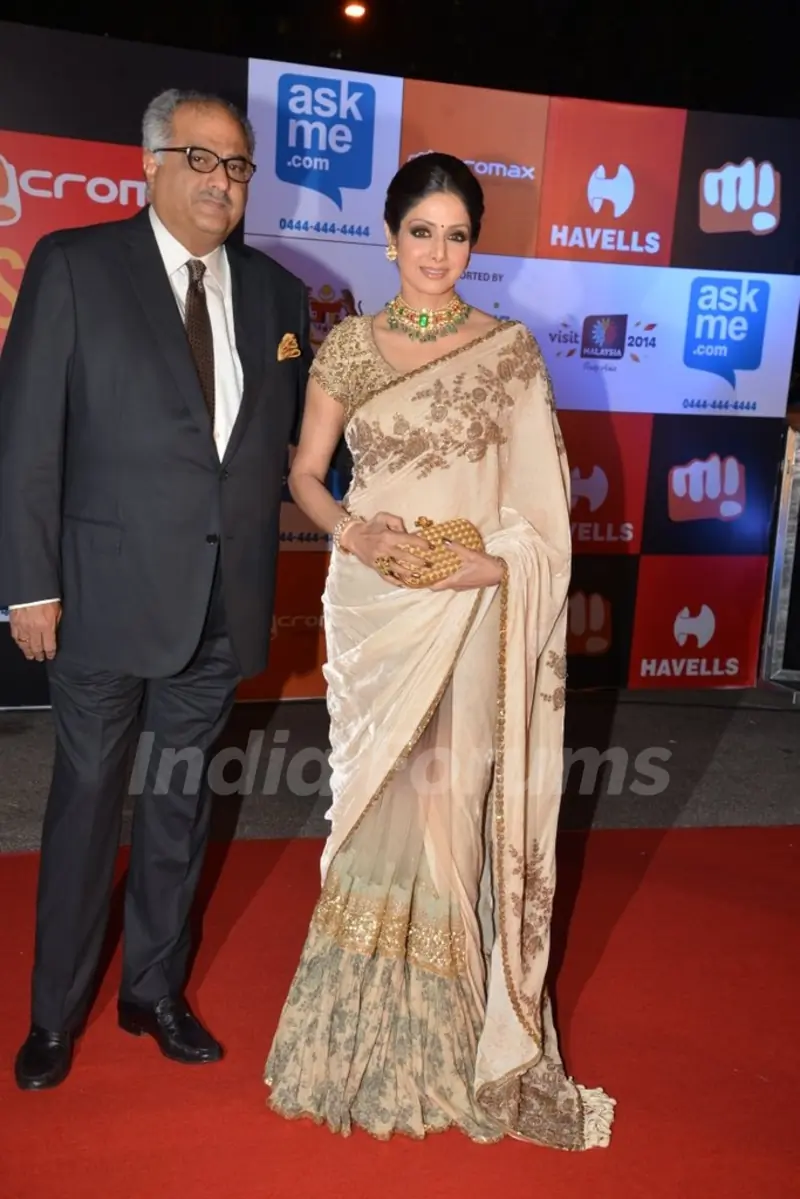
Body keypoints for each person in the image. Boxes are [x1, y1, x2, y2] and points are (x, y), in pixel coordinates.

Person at [264, 153, 615, 1149]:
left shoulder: (506, 352)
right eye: (420, 230)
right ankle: (363, 1034)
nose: (437, 251)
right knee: (381, 797)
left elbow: (544, 519)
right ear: (387, 237)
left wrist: (488, 570)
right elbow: (303, 473)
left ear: (472, 244)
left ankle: (454, 1035)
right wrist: (356, 532)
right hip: (377, 606)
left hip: (470, 608)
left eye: (456, 233)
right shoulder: (345, 350)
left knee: (449, 802)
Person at [0, 88, 312, 1090]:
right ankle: (54, 1010)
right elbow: (26, 444)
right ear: (149, 163)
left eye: (238, 166)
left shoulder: (275, 293)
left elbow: (292, 442)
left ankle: (153, 989)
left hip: (220, 606)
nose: (223, 182)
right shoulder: (75, 265)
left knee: (181, 805)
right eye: (203, 159)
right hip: (97, 597)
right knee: (87, 804)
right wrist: (28, 585)